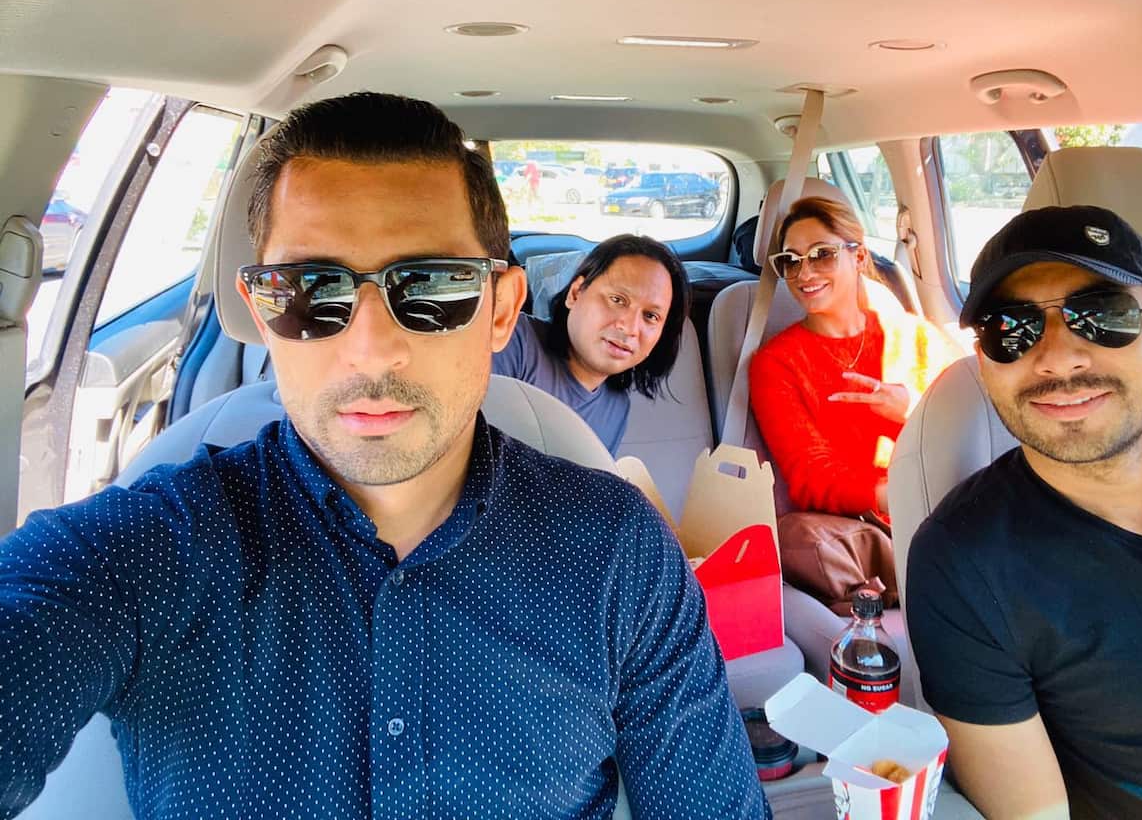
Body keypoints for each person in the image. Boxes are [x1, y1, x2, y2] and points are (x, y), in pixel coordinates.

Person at [0, 92, 769, 819]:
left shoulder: (616, 550)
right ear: (266, 317)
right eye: (311, 290)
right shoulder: (146, 549)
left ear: (501, 310)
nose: (372, 350)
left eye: (430, 286)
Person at [906, 205, 1142, 820]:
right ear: (986, 365)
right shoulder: (967, 563)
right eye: (1012, 329)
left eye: (1103, 316)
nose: (1058, 359)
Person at [750, 196, 960, 521]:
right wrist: (906, 495)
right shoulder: (776, 364)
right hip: (873, 525)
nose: (804, 273)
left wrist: (914, 411)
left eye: (822, 255)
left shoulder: (918, 338)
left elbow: (972, 425)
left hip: (954, 502)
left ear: (859, 256)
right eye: (791, 261)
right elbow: (812, 476)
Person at [492, 235, 690, 456]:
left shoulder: (615, 408)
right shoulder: (514, 342)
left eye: (651, 316)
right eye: (617, 300)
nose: (630, 328)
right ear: (576, 293)